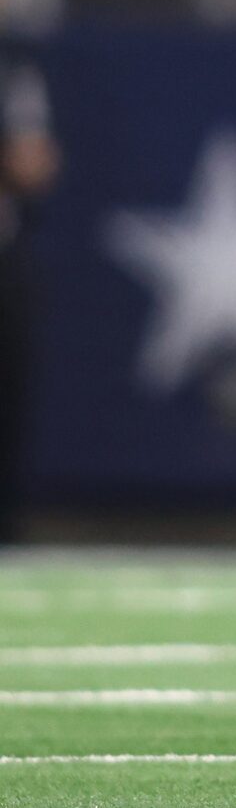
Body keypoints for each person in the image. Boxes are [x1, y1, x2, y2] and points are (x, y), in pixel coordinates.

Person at [0, 51, 56, 542]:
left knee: (10, 395)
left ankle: (7, 531)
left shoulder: (15, 76)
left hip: (5, 257)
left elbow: (34, 164)